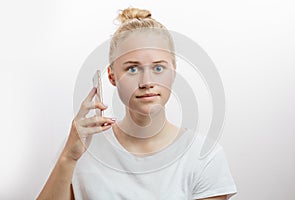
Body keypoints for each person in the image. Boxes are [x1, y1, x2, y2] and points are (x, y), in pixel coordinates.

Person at [37, 7, 237, 200]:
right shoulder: (82, 147)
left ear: (173, 71)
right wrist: (67, 159)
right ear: (112, 76)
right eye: (132, 69)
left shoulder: (204, 155)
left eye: (158, 68)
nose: (147, 82)